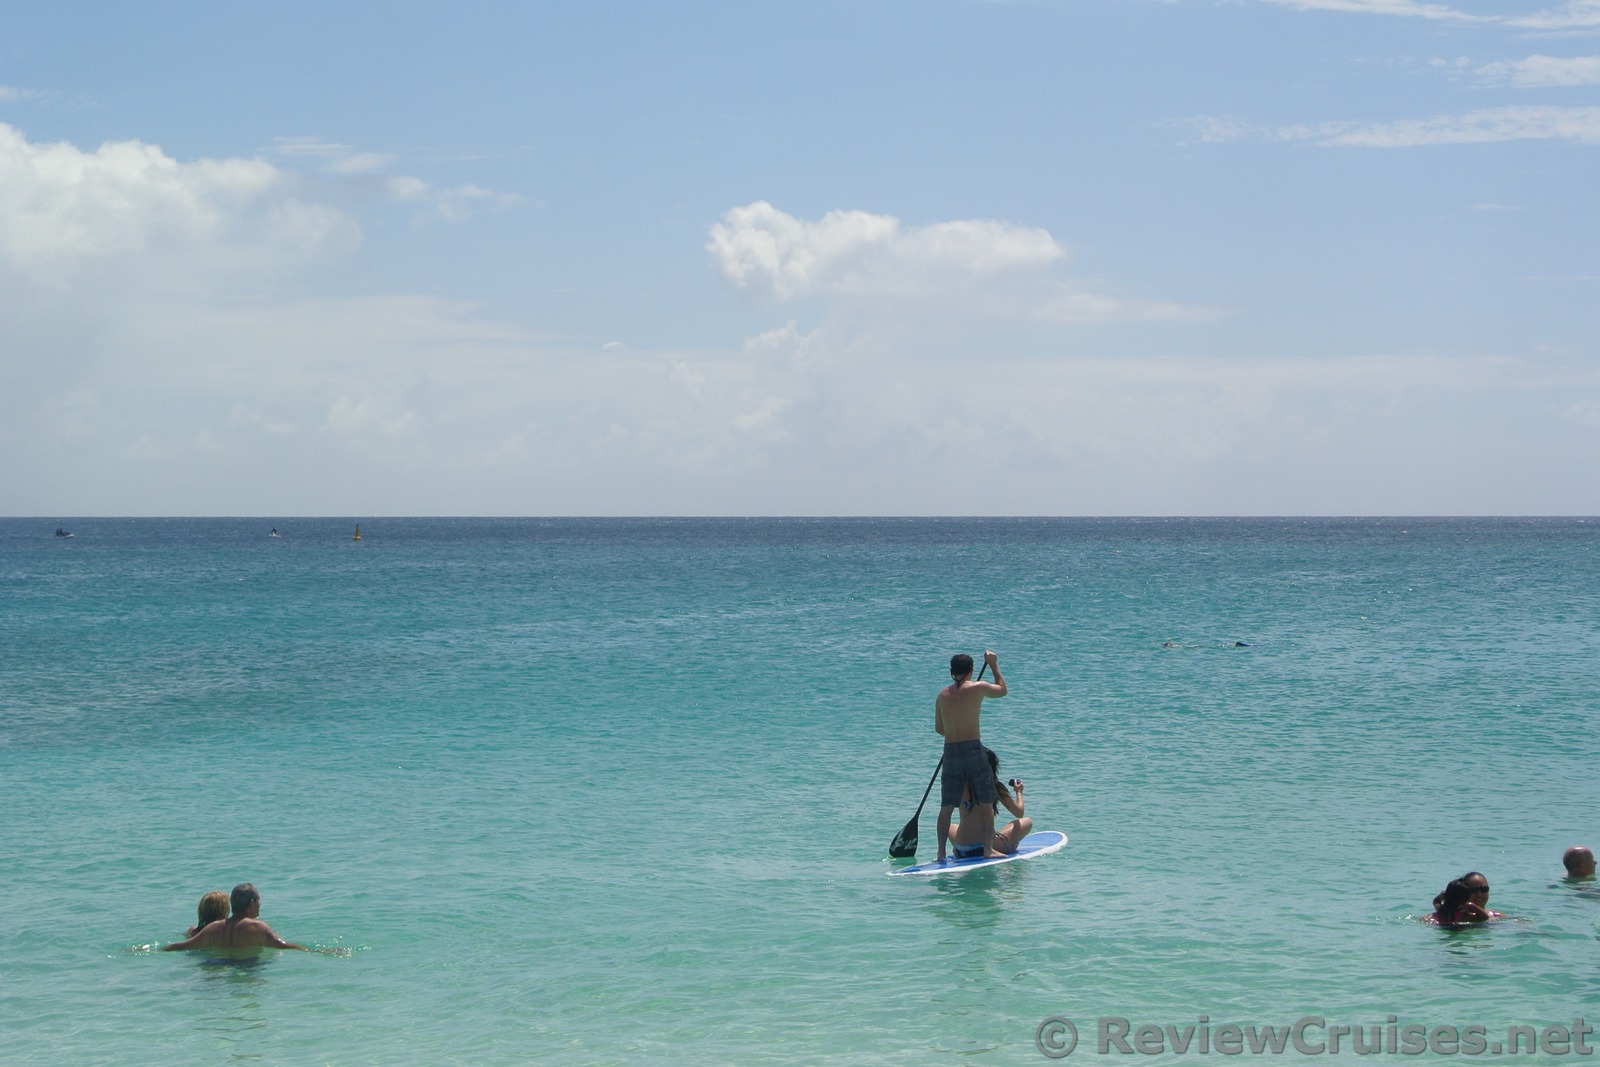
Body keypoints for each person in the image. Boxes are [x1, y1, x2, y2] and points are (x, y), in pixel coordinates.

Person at [934, 649, 1007, 860]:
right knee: (985, 802)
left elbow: (940, 729)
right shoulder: (978, 687)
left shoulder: (942, 696)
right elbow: (1002, 690)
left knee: (946, 805)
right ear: (971, 670)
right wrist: (993, 663)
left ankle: (940, 853)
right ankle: (987, 849)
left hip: (950, 751)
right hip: (973, 749)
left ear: (951, 672)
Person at [161, 883, 308, 952]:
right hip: (250, 970)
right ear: (251, 903)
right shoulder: (257, 927)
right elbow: (283, 945)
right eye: (258, 901)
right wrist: (315, 951)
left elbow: (181, 946)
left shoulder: (213, 928)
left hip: (219, 966)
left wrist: (157, 950)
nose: (260, 904)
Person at [948, 747, 1033, 859]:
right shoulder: (995, 787)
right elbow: (1019, 812)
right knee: (1027, 822)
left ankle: (962, 847)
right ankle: (1006, 845)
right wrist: (1018, 792)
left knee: (951, 827)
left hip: (961, 849)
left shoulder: (960, 786)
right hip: (986, 848)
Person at [1428, 872, 1501, 926]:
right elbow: (1484, 917)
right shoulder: (1466, 917)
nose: (1479, 894)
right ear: (1465, 893)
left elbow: (1436, 902)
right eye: (1474, 890)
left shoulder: (1442, 912)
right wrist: (1471, 905)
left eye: (1484, 889)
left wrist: (1443, 895)